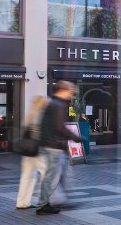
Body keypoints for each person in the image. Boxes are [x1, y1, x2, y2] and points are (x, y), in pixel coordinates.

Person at [35, 81, 85, 215]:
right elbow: (60, 127)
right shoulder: (58, 105)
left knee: (53, 176)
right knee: (51, 177)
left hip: (49, 145)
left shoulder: (51, 103)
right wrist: (77, 138)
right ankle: (43, 205)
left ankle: (49, 202)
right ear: (63, 90)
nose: (71, 94)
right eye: (70, 91)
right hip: (54, 146)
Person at [16, 95, 50, 210]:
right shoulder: (39, 115)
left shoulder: (30, 113)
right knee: (47, 173)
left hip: (27, 150)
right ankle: (45, 202)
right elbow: (39, 134)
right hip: (36, 151)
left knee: (27, 176)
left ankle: (22, 202)